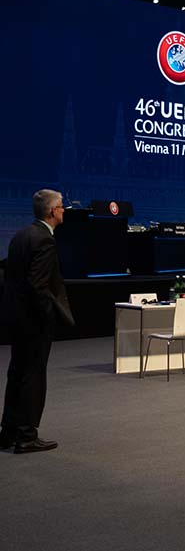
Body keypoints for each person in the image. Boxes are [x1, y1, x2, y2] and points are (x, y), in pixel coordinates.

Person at [1, 189, 75, 454]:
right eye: (62, 207)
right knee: (33, 376)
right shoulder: (45, 240)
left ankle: (8, 432)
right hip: (33, 321)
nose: (65, 210)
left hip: (15, 318)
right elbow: (38, 285)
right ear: (53, 211)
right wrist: (46, 317)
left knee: (17, 373)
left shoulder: (21, 235)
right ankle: (27, 435)